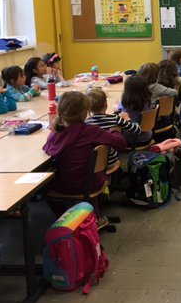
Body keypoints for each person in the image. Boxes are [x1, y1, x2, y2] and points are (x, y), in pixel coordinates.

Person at [43, 91, 126, 222]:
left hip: (64, 184)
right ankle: (89, 220)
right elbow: (121, 144)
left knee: (43, 188)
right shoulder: (91, 131)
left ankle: (65, 220)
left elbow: (47, 148)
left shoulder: (56, 134)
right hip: (91, 183)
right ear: (85, 112)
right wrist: (114, 130)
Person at [85, 87, 142, 167]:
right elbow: (138, 130)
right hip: (112, 161)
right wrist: (128, 119)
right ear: (106, 105)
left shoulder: (86, 124)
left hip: (94, 164)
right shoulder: (114, 118)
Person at [119, 75, 153, 148]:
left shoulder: (130, 107)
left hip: (134, 140)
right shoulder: (147, 101)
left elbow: (126, 125)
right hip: (147, 135)